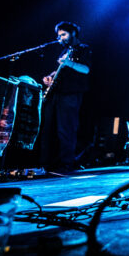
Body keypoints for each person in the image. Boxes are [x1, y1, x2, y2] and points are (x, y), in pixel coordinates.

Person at [40, 21, 91, 174]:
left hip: (71, 94)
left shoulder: (83, 49)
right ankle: (48, 163)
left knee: (66, 129)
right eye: (59, 35)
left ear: (73, 33)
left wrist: (68, 63)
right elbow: (60, 72)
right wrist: (50, 77)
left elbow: (86, 69)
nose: (60, 38)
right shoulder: (64, 51)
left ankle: (67, 164)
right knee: (49, 128)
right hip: (57, 93)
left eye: (63, 34)